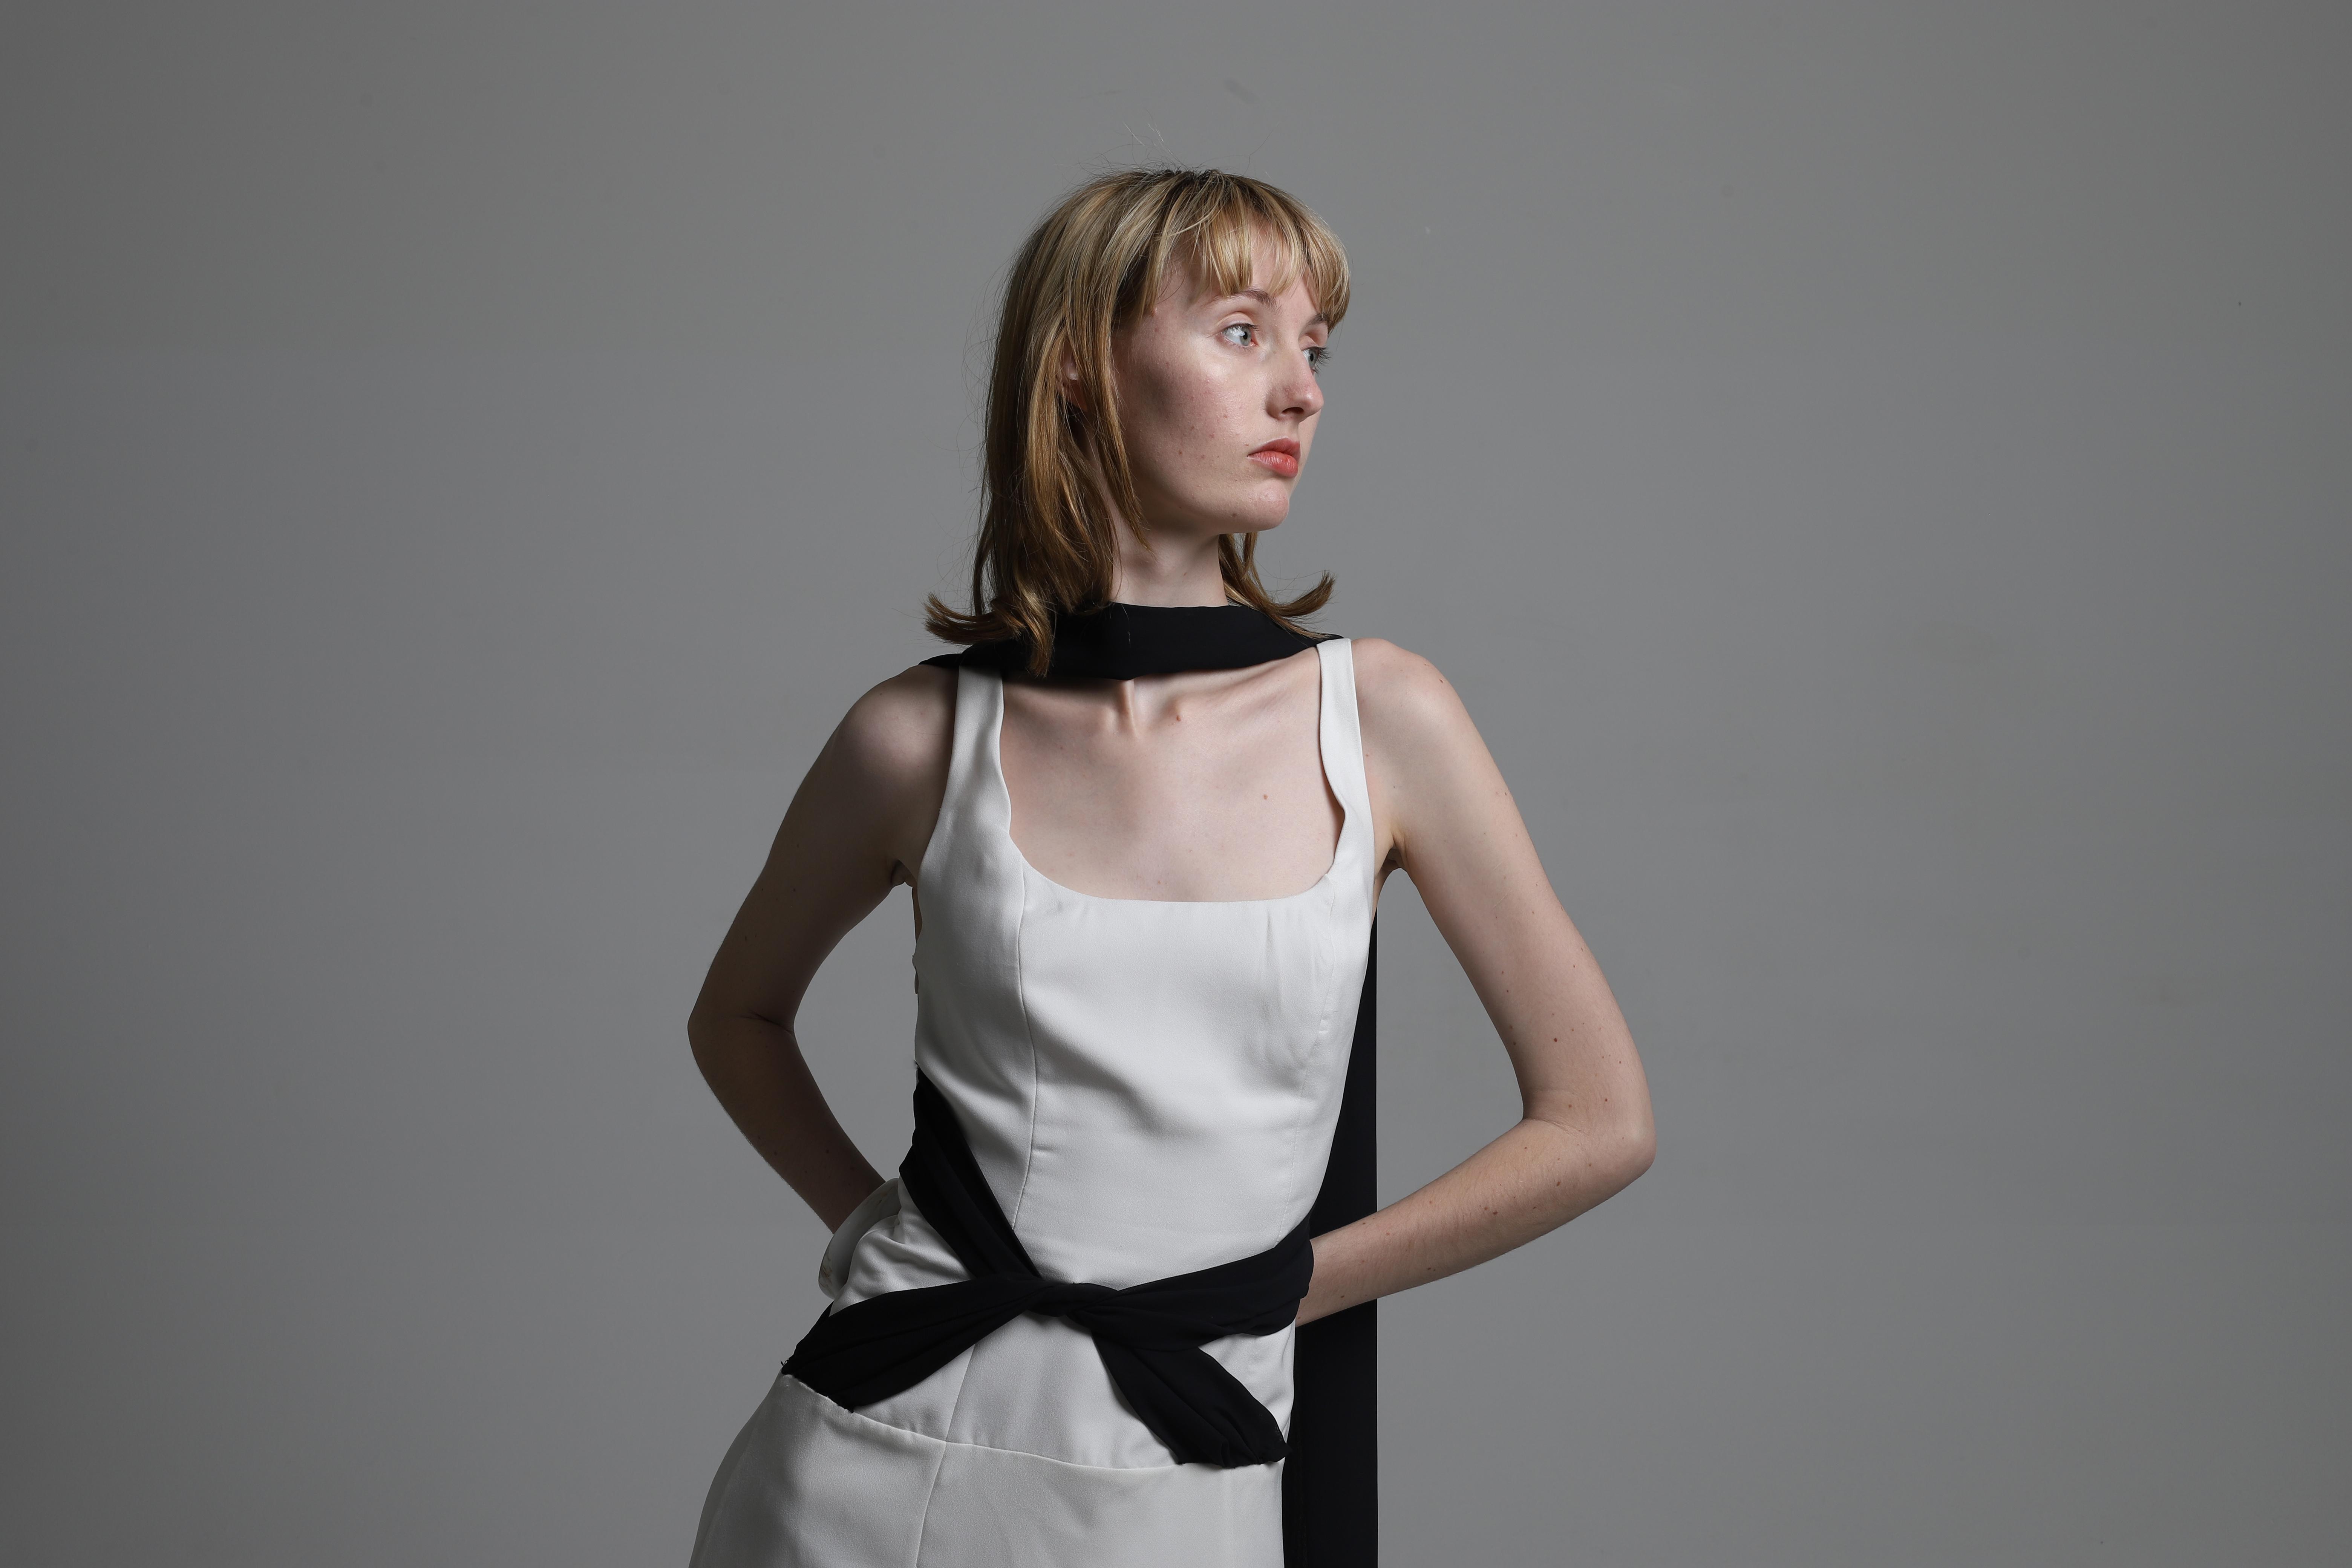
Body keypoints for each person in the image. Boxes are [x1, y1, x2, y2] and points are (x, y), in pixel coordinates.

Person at [683, 168, 1655, 1568]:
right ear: (1081, 364)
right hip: (866, 1466)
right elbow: (736, 1015)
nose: (1301, 393)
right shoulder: (918, 736)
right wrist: (876, 1230)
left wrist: (1286, 1289)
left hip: (1181, 1465)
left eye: (1315, 347)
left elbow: (1601, 1122)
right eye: (1243, 333)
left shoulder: (1383, 716)